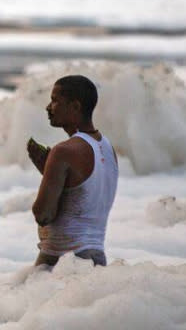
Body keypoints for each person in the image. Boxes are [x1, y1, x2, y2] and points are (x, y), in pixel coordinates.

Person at [27, 75, 118, 268]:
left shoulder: (63, 151)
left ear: (75, 107)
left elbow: (43, 214)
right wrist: (50, 172)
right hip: (96, 260)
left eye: (55, 101)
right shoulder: (108, 148)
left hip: (62, 263)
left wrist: (49, 172)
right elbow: (84, 195)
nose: (48, 107)